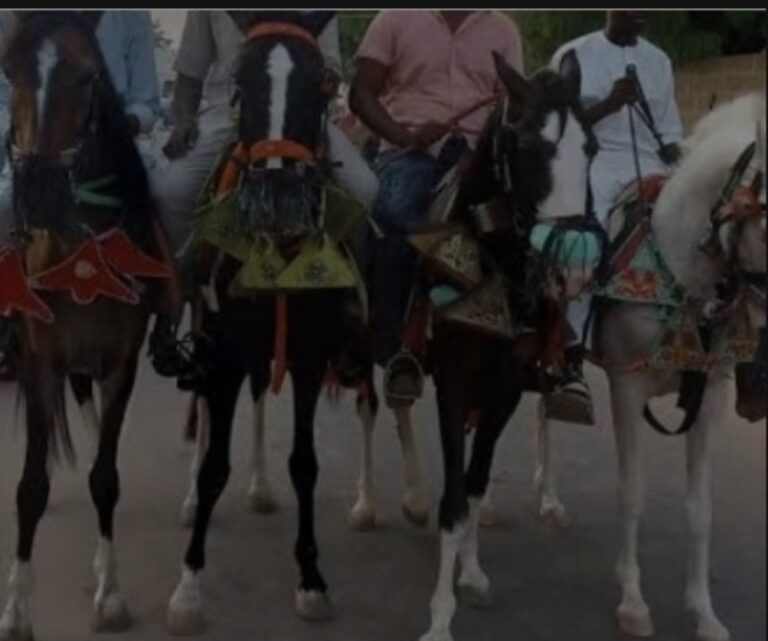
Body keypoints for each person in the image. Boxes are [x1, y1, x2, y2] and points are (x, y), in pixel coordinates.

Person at [151, 10, 379, 379]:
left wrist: (310, 85)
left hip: (299, 118)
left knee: (364, 188)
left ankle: (353, 313)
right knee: (169, 191)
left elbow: (331, 71)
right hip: (227, 115)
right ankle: (174, 309)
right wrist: (183, 122)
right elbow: (189, 79)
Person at [350, 10, 524, 406]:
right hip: (412, 151)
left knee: (530, 225)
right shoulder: (393, 20)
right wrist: (405, 135)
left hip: (480, 155)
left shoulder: (503, 29)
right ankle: (396, 350)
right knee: (396, 218)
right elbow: (361, 93)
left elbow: (514, 104)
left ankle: (548, 348)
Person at [0, 10, 164, 376]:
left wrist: (122, 123)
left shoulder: (130, 16)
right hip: (34, 150)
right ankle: (7, 322)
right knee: (1, 206)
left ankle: (167, 311)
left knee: (165, 197)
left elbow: (148, 102)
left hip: (109, 153)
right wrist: (26, 134)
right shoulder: (15, 16)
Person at [549, 10, 683, 411]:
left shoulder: (659, 60)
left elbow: (670, 133)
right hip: (596, 163)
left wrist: (690, 168)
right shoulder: (573, 54)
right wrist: (608, 104)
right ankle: (571, 358)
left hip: (652, 165)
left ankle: (712, 346)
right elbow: (554, 126)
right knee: (583, 247)